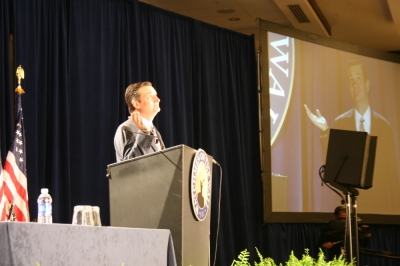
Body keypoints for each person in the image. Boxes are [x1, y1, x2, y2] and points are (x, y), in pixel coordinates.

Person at [304, 59, 400, 214]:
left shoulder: (384, 126)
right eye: (350, 81)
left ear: (367, 85)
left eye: (358, 79)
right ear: (348, 88)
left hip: (379, 208)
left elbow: (392, 176)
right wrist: (325, 130)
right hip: (351, 207)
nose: (355, 85)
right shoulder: (341, 122)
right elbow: (332, 163)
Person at [114, 81, 165, 162]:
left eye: (156, 95)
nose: (158, 99)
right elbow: (129, 166)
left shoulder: (155, 132)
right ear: (136, 103)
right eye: (150, 96)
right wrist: (144, 133)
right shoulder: (126, 128)